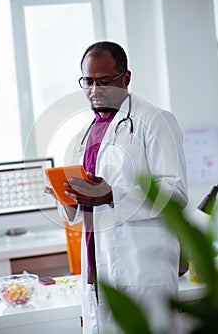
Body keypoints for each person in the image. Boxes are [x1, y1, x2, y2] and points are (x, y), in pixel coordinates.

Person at [46, 41, 188, 334]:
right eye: (87, 81)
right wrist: (68, 196)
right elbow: (85, 201)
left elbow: (175, 192)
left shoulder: (156, 120)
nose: (94, 89)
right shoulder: (86, 134)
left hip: (140, 269)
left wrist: (114, 194)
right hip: (97, 269)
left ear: (126, 77)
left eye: (104, 80)